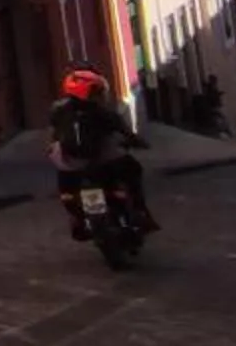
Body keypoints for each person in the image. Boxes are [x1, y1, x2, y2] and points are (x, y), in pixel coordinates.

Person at [50, 69, 157, 239]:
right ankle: (140, 210)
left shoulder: (58, 111)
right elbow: (124, 132)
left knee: (67, 191)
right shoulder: (102, 113)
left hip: (72, 166)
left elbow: (55, 133)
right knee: (134, 169)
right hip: (101, 164)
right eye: (96, 91)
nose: (100, 95)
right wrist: (137, 141)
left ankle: (77, 219)